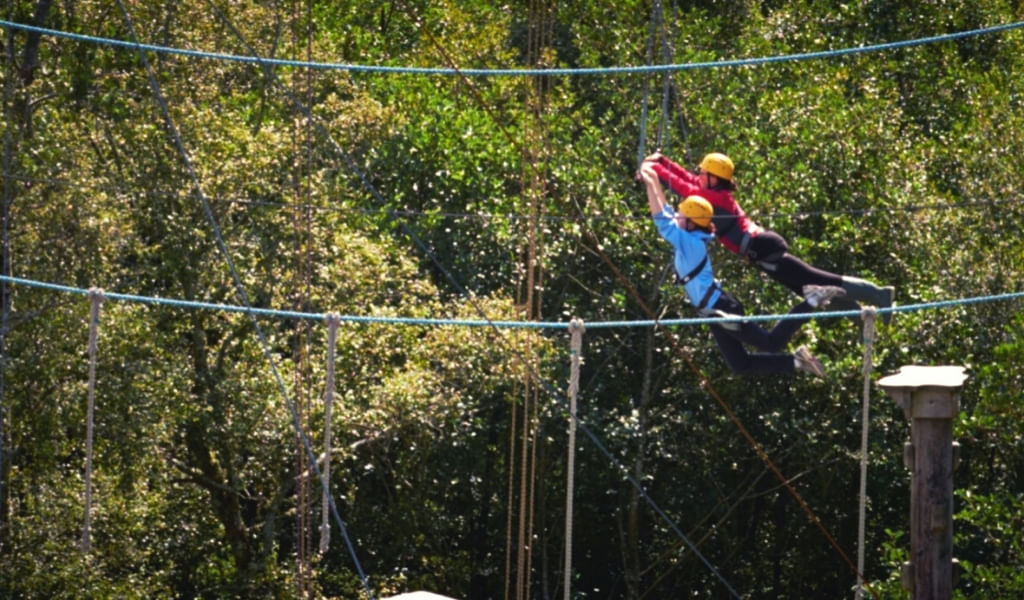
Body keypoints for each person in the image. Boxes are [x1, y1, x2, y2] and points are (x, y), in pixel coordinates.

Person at [639, 162, 844, 377]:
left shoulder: (690, 242)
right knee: (740, 365)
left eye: (681, 215)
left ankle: (811, 301)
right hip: (712, 311)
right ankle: (797, 362)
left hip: (720, 308)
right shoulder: (689, 235)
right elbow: (666, 213)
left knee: (770, 342)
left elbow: (661, 219)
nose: (676, 216)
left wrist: (651, 180)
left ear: (691, 223)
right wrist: (652, 180)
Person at [643, 151, 894, 324]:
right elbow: (688, 180)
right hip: (758, 251)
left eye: (703, 173)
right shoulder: (713, 191)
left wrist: (653, 172)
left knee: (815, 279)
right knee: (808, 290)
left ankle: (878, 293)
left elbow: (684, 187)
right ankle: (857, 315)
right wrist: (662, 162)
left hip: (762, 246)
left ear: (714, 178)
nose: (698, 176)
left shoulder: (716, 198)